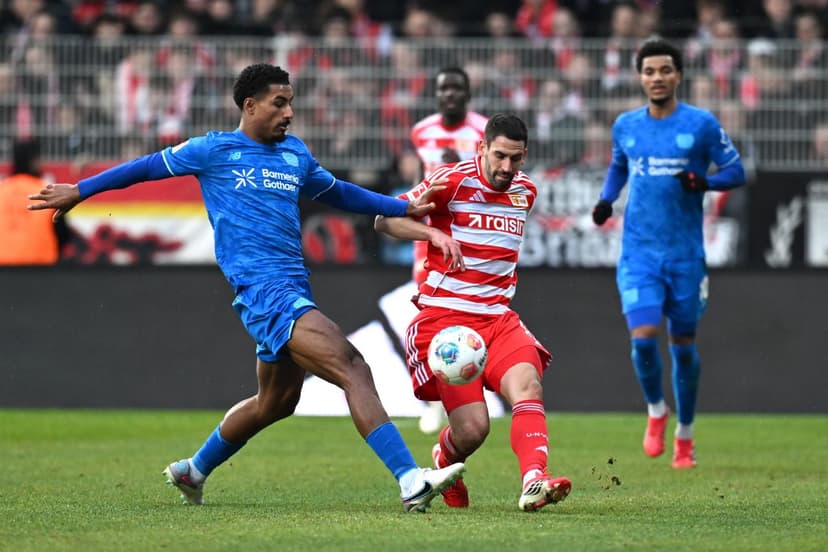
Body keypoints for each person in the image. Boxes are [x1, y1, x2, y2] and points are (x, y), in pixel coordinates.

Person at [27, 63, 466, 512]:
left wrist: (403, 206)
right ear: (250, 105)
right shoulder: (212, 150)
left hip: (293, 286)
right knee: (352, 366)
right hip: (263, 292)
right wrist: (81, 190)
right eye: (279, 103)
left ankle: (193, 471)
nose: (289, 112)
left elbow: (341, 193)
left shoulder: (295, 154)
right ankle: (410, 480)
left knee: (275, 402)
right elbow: (144, 168)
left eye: (291, 102)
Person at [375, 113, 572, 511]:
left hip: (497, 318)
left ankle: (534, 480)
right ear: (481, 148)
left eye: (515, 158)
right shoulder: (451, 181)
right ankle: (444, 459)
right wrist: (432, 232)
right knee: (473, 430)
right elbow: (384, 221)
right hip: (445, 321)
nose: (506, 167)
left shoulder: (526, 192)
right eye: (499, 156)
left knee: (528, 386)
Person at [590, 39, 746, 468]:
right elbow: (619, 165)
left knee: (683, 347)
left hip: (685, 256)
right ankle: (657, 409)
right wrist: (606, 199)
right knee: (642, 339)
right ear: (640, 77)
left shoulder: (701, 124)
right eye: (649, 71)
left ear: (678, 75)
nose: (656, 78)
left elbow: (736, 170)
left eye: (664, 70)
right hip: (639, 253)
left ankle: (686, 435)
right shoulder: (626, 125)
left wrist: (706, 183)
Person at [408, 66, 489, 434]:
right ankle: (432, 401)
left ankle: (465, 391)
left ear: (468, 94)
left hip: (470, 234)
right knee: (428, 310)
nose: (450, 94)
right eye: (444, 89)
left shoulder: (483, 131)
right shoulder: (422, 131)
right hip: (430, 235)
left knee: (466, 310)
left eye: (457, 88)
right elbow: (419, 178)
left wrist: (460, 167)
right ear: (437, 94)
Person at [0, 138, 66, 265]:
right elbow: (63, 235)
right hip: (40, 268)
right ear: (34, 161)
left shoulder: (1, 190)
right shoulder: (48, 192)